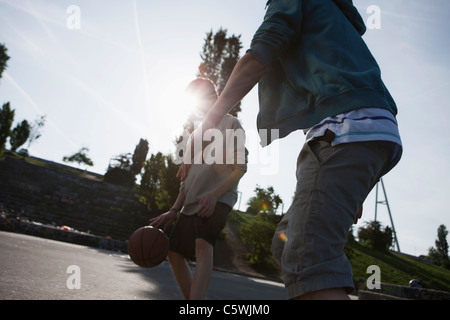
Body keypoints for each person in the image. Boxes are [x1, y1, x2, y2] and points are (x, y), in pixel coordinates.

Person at [191, 0, 403, 299]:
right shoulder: (336, 18)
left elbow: (257, 58)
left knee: (308, 258)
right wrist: (361, 186)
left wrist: (209, 121)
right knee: (286, 244)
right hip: (376, 134)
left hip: (342, 132)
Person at [150, 78, 248, 300]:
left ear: (214, 97)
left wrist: (214, 195)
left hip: (218, 198)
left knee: (203, 245)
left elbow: (240, 168)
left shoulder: (232, 124)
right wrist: (174, 209)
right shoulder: (193, 137)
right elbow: (186, 181)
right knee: (174, 253)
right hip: (190, 203)